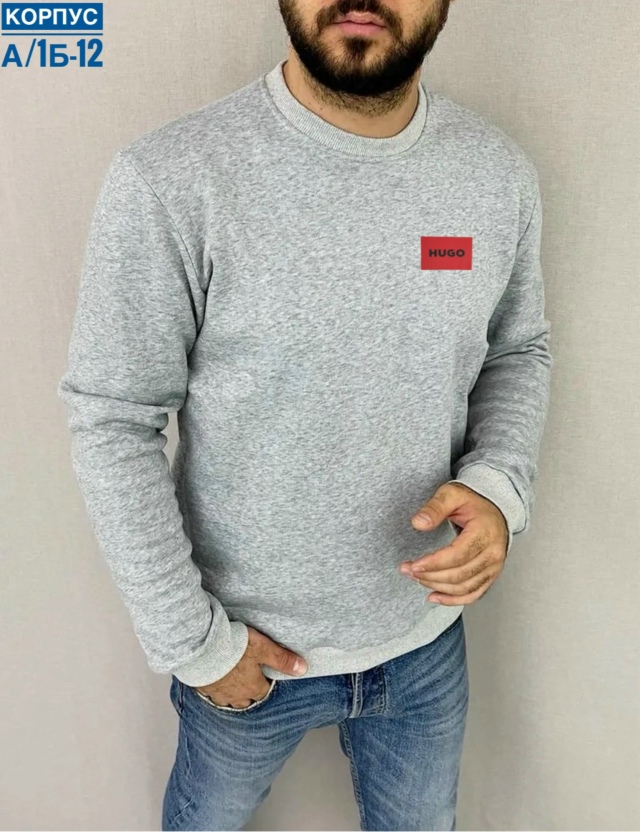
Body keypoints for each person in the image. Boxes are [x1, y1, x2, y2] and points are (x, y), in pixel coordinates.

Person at [57, 1, 553, 829]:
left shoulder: (496, 174)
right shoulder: (174, 177)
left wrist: (499, 487)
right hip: (242, 653)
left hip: (425, 642)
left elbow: (517, 349)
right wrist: (193, 644)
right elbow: (113, 417)